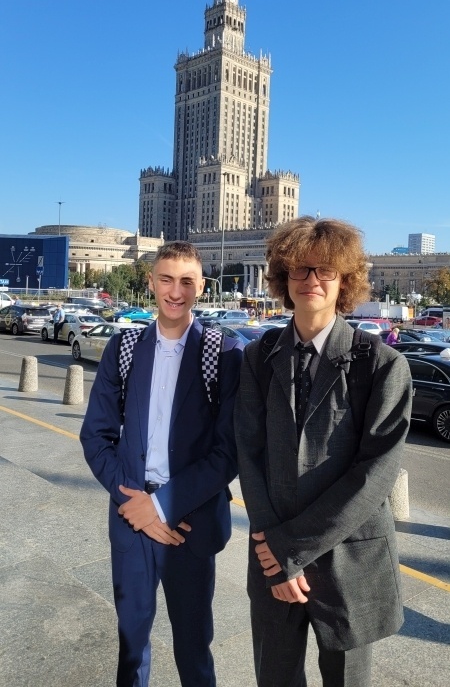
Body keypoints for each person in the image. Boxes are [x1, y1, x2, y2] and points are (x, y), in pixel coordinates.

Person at [234, 216, 412, 687]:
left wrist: (289, 549)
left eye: (325, 270)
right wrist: (275, 553)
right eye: (300, 268)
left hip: (349, 563)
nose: (311, 279)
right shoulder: (259, 358)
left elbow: (375, 474)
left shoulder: (382, 365)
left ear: (344, 281)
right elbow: (249, 455)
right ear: (283, 278)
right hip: (272, 562)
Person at [80, 241, 243, 687]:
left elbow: (227, 452)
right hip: (131, 518)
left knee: (194, 648)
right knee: (131, 647)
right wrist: (133, 501)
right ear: (151, 282)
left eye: (187, 282)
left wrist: (161, 507)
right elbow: (96, 436)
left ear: (202, 287)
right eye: (166, 279)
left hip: (190, 522)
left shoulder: (224, 354)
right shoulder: (124, 347)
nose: (175, 291)